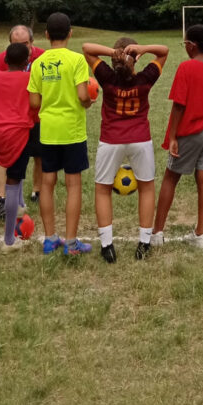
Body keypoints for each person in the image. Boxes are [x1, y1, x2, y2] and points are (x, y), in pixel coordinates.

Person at [82, 37, 169, 262]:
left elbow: (87, 49)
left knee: (102, 189)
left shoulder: (107, 77)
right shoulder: (145, 78)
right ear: (136, 59)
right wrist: (143, 48)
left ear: (115, 59)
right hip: (140, 138)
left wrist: (114, 52)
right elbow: (164, 51)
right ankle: (145, 242)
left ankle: (106, 245)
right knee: (147, 187)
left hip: (111, 139)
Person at [151, 24, 203, 248]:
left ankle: (157, 233)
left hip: (192, 129)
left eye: (185, 44)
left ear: (192, 46)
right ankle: (201, 235)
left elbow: (179, 105)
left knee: (170, 177)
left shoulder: (186, 67)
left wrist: (173, 136)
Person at [27, 12, 93, 255]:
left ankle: (49, 239)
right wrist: (88, 103)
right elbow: (83, 95)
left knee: (47, 183)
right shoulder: (76, 60)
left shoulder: (38, 63)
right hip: (72, 131)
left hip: (48, 130)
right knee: (73, 184)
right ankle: (72, 243)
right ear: (70, 33)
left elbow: (34, 102)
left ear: (46, 35)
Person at [0, 25, 45, 218]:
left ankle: (37, 191)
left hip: (36, 118)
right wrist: (6, 107)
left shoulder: (43, 58)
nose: (22, 48)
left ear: (32, 42)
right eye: (16, 44)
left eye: (25, 43)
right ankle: (0, 200)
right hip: (13, 122)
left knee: (39, 155)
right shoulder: (1, 59)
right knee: (5, 161)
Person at [0, 41, 38, 254]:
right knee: (13, 183)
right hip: (18, 134)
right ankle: (9, 239)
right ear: (27, 61)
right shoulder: (29, 78)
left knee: (10, 174)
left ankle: (20, 205)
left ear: (5, 60)